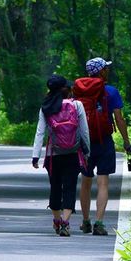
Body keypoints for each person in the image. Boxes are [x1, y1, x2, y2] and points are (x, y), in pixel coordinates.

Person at [73, 57, 131, 236]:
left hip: (85, 141)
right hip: (104, 140)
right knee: (103, 182)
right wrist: (126, 141)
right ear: (102, 72)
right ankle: (99, 222)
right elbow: (119, 119)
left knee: (85, 181)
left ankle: (85, 221)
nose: (108, 70)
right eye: (106, 68)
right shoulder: (111, 92)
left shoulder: (78, 91)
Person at [31, 75, 91, 237]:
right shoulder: (77, 105)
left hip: (53, 155)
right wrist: (87, 152)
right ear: (66, 89)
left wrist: (35, 156)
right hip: (73, 153)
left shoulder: (46, 107)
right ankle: (65, 221)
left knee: (55, 187)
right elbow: (84, 131)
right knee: (70, 187)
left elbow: (40, 132)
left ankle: (57, 220)